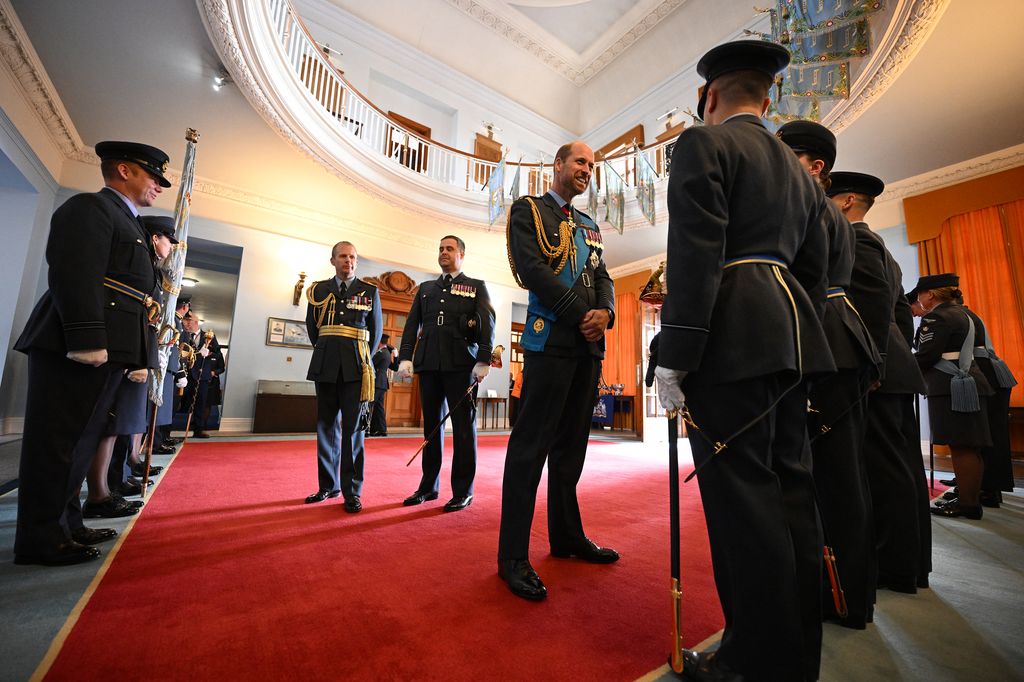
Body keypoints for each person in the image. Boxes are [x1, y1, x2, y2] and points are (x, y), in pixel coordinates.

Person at [654, 41, 835, 681]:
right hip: (790, 340)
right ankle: (793, 658)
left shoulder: (704, 144)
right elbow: (816, 268)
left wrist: (673, 357)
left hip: (730, 343)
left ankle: (750, 664)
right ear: (768, 97)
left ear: (709, 97)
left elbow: (696, 255)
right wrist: (786, 327)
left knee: (743, 508)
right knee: (791, 497)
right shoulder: (796, 168)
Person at [12, 140, 170, 566]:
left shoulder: (129, 222)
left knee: (80, 444)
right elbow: (74, 272)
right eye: (152, 175)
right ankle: (41, 538)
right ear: (123, 170)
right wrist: (86, 339)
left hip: (109, 348)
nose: (158, 185)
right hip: (77, 344)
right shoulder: (90, 209)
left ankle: (67, 524)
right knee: (58, 443)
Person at [497, 140, 616, 602]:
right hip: (551, 343)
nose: (588, 169)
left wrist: (605, 312)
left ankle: (566, 538)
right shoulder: (529, 209)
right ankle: (512, 557)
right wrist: (578, 316)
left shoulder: (589, 224)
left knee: (572, 451)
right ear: (559, 165)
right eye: (581, 161)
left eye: (593, 164)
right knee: (530, 450)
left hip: (587, 349)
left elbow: (601, 274)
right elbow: (531, 270)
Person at [777, 121, 880, 629]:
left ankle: (839, 597)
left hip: (826, 345)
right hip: (839, 344)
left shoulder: (809, 207)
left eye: (785, 154)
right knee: (839, 478)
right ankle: (850, 594)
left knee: (832, 479)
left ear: (816, 168)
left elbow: (800, 282)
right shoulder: (823, 209)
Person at [828, 171, 932, 592]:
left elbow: (871, 308)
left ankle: (894, 565)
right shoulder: (881, 249)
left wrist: (874, 365)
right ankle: (908, 562)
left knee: (884, 467)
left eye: (828, 200)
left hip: (876, 371)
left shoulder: (857, 239)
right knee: (899, 464)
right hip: (890, 367)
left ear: (848, 200)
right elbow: (903, 316)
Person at [397, 236, 496, 512]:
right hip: (429, 364)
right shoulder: (426, 288)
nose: (443, 252)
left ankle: (463, 490)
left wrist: (483, 359)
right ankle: (428, 487)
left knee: (464, 430)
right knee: (431, 428)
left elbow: (488, 324)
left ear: (461, 254)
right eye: (440, 248)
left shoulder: (476, 286)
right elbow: (412, 325)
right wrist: (406, 357)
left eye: (449, 249)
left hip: (461, 365)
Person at [304, 241, 382, 513]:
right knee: (325, 426)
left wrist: (360, 360)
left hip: (356, 368)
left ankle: (352, 491)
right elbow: (313, 330)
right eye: (343, 257)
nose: (348, 261)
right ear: (333, 260)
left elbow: (375, 333)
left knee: (353, 431)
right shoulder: (318, 290)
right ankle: (328, 486)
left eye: (352, 257)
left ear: (356, 261)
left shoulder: (370, 291)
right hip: (325, 365)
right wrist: (330, 351)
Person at [910, 274, 994, 519]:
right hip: (970, 383)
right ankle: (970, 499)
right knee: (970, 446)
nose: (919, 298)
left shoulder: (937, 317)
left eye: (920, 294)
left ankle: (968, 504)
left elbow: (926, 356)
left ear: (931, 294)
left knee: (961, 447)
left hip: (950, 387)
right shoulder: (961, 313)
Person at [180, 313, 224, 438]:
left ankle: (198, 429)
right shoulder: (183, 334)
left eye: (189, 320)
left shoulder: (208, 336)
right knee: (179, 401)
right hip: (185, 374)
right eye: (185, 320)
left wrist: (208, 353)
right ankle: (167, 430)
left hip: (201, 375)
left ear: (196, 322)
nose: (187, 323)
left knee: (201, 403)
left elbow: (217, 354)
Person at [368, 334, 398, 436]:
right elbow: (395, 367)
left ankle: (367, 430)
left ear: (379, 342)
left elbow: (370, 363)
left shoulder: (381, 353)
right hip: (382, 383)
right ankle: (381, 429)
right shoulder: (387, 353)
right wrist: (396, 356)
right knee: (378, 407)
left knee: (369, 405)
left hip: (377, 383)